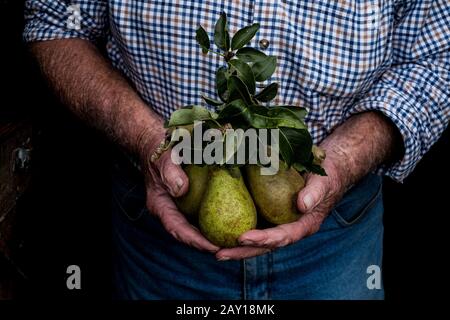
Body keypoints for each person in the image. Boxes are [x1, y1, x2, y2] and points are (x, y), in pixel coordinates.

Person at [24, 0, 449, 299]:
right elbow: (56, 22)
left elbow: (436, 57)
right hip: (159, 227)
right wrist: (147, 141)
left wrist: (343, 162)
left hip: (335, 237)